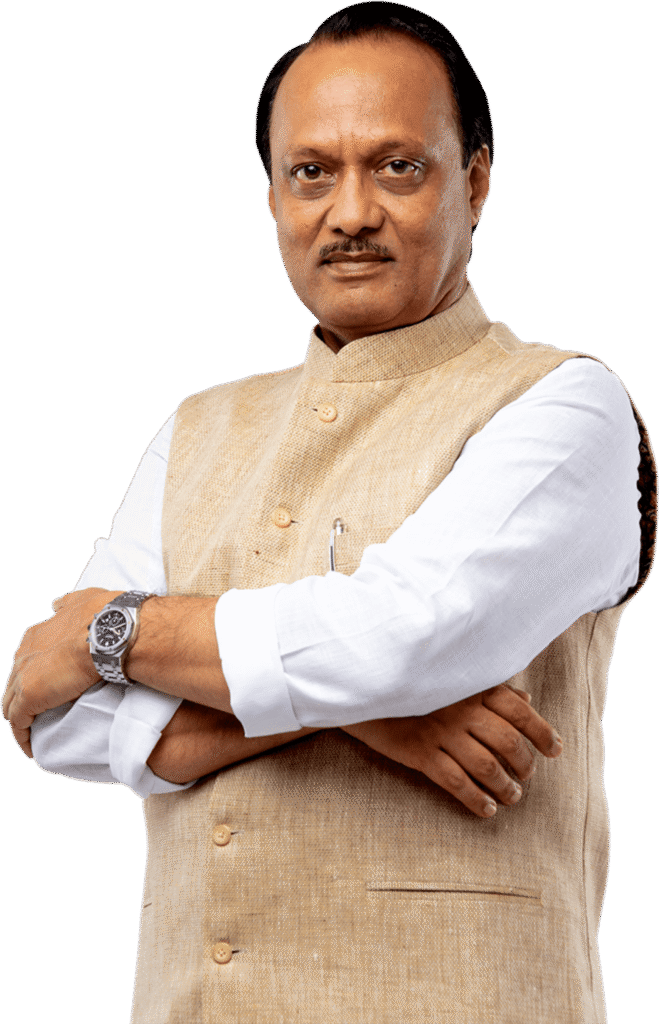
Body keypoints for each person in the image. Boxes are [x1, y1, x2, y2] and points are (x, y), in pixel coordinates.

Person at [3, 3, 656, 1022]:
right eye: (311, 172)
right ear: (272, 195)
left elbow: (406, 634)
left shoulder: (566, 409)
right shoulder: (196, 430)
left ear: (477, 179)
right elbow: (57, 717)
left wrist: (110, 630)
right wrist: (374, 713)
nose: (350, 212)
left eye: (397, 167)